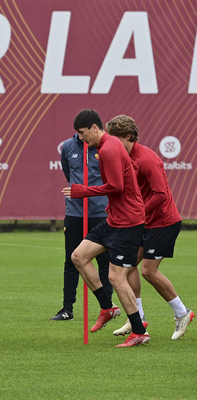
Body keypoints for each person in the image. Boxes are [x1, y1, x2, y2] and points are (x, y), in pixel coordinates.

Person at [62, 109, 148, 347]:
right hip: (114, 220)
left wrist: (84, 190)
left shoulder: (109, 148)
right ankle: (108, 308)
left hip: (129, 222)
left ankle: (139, 331)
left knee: (116, 277)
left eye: (82, 133)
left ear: (94, 127)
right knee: (78, 256)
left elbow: (117, 186)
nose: (80, 138)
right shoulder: (107, 146)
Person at [106, 115, 194, 339]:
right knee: (127, 265)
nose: (112, 144)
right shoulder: (123, 157)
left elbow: (161, 194)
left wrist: (137, 213)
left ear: (128, 136)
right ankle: (137, 317)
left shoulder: (146, 159)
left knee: (147, 270)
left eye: (116, 139)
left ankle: (182, 313)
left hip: (163, 222)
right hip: (143, 221)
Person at [51, 133, 112, 320]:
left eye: (84, 129)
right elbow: (68, 173)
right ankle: (67, 309)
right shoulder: (68, 146)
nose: (82, 134)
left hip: (100, 212)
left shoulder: (104, 148)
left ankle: (107, 307)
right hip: (75, 213)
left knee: (104, 262)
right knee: (71, 260)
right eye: (79, 130)